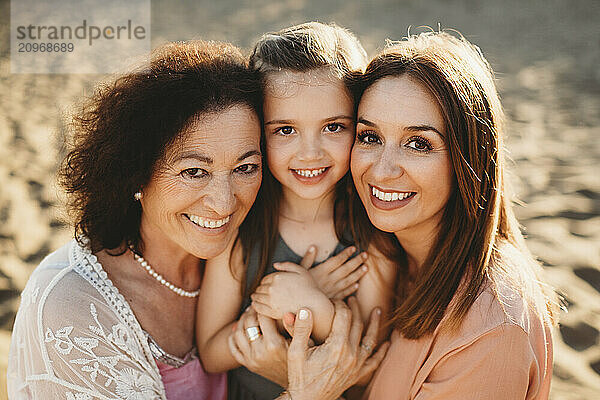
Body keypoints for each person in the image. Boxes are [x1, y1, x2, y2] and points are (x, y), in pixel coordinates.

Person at [237, 31, 559, 400]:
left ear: (468, 160)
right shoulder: (385, 253)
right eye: (370, 137)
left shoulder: (489, 328)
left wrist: (304, 383)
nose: (383, 171)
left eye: (418, 143)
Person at [7, 40, 264, 399]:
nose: (223, 203)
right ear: (136, 173)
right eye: (194, 172)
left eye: (246, 167)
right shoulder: (71, 305)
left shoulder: (256, 255)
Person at [196, 22, 397, 400]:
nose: (310, 153)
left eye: (333, 127)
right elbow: (210, 351)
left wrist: (313, 304)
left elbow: (369, 364)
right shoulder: (241, 228)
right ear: (258, 131)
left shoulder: (372, 234)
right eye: (285, 130)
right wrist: (286, 301)